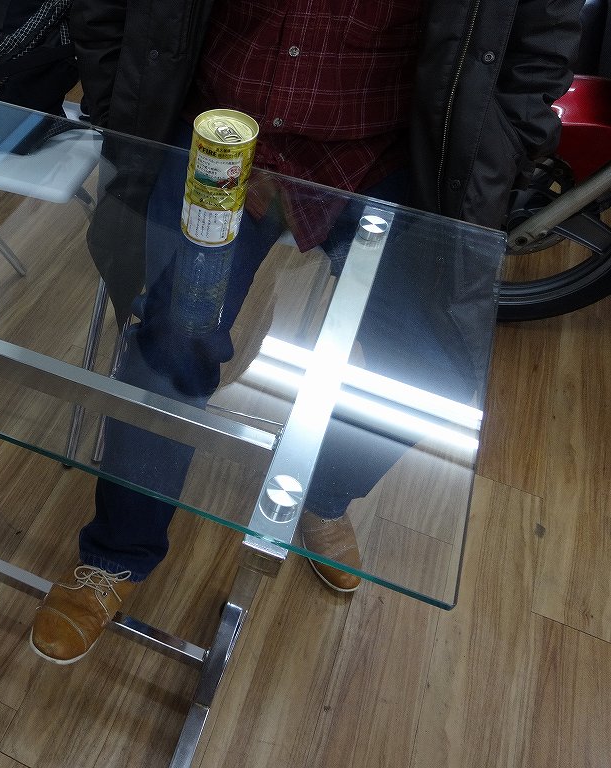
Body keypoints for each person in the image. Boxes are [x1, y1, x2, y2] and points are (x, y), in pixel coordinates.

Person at [29, 0, 583, 665]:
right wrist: (119, 99)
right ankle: (117, 553)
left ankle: (321, 490)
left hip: (394, 154)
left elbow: (542, 41)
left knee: (433, 368)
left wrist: (504, 144)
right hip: (220, 131)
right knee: (173, 334)